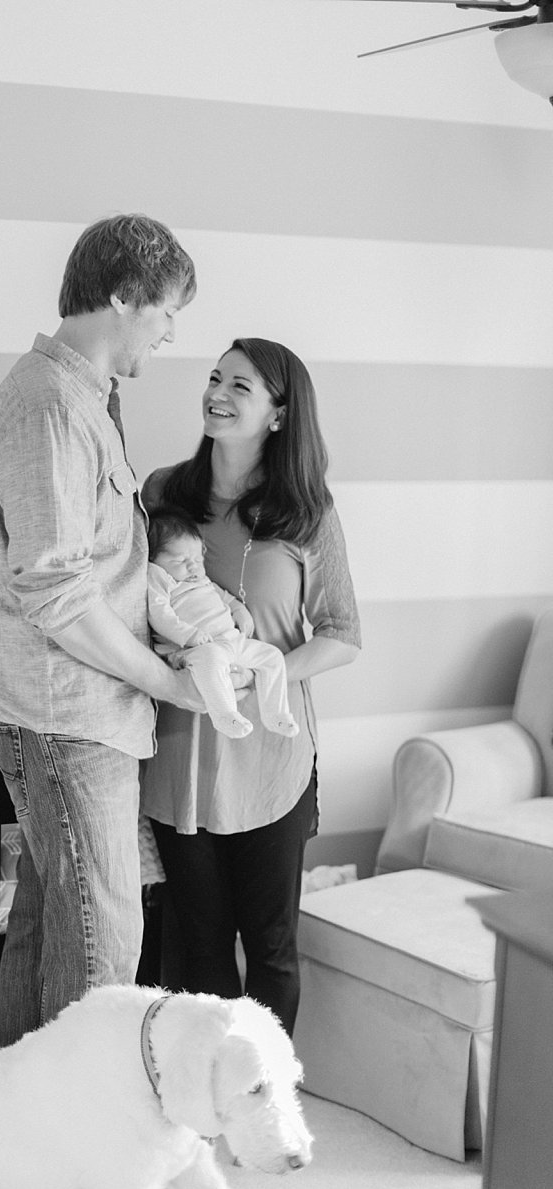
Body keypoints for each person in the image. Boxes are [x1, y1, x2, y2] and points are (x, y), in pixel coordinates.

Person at [0, 213, 210, 1049]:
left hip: (79, 713)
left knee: (52, 936)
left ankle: (12, 1144)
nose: (173, 331)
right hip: (64, 716)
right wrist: (166, 679)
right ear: (121, 296)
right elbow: (60, 594)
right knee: (105, 956)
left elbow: (100, 565)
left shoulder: (86, 400)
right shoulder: (48, 406)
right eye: (166, 311)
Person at [140, 336, 361, 1037]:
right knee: (198, 946)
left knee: (268, 946)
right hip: (178, 754)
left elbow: (341, 633)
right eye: (214, 378)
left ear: (278, 412)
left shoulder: (308, 513)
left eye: (240, 385)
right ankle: (210, 1093)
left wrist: (254, 670)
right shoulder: (160, 494)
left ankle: (265, 1095)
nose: (218, 393)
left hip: (272, 752)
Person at [146, 506, 299, 740]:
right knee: (211, 661)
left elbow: (224, 596)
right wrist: (188, 635)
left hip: (232, 641)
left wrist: (240, 611)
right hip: (193, 649)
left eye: (198, 558)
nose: (193, 566)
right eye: (180, 560)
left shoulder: (201, 580)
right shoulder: (160, 579)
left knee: (272, 657)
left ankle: (276, 713)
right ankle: (225, 715)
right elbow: (159, 615)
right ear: (154, 561)